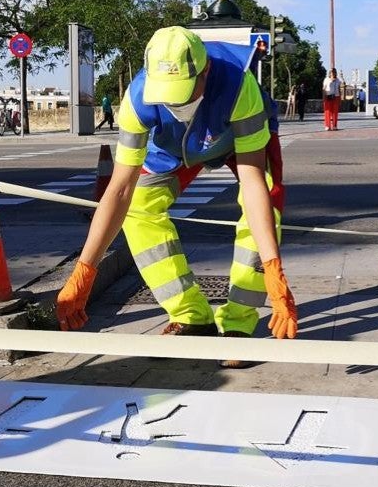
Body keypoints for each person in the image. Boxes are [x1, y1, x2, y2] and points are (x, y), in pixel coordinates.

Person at [56, 26, 297, 369]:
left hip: (238, 138)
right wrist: (85, 271)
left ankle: (239, 324)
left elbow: (252, 180)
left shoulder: (239, 87)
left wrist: (273, 269)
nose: (175, 101)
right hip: (175, 145)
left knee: (264, 208)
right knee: (139, 205)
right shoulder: (139, 98)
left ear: (205, 72)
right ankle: (190, 316)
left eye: (183, 91)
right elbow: (120, 189)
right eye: (166, 94)